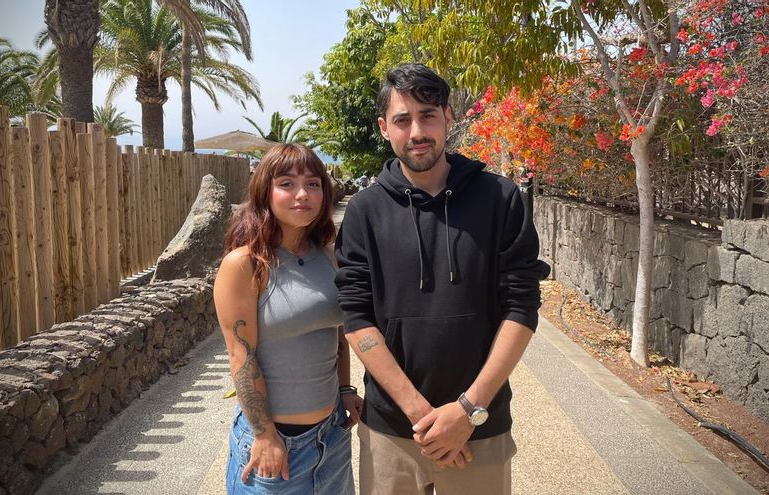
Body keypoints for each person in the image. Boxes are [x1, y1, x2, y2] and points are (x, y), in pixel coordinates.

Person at [334, 63, 550, 494]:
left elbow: (521, 308)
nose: (417, 131)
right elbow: (356, 318)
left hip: (479, 426)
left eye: (428, 115)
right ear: (384, 128)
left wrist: (466, 410)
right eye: (402, 119)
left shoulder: (500, 198)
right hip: (393, 431)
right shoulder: (364, 212)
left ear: (448, 117)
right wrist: (421, 414)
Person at [215, 143, 363, 494]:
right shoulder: (245, 265)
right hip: (275, 446)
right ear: (265, 191)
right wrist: (264, 435)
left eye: (313, 184)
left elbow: (337, 334)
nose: (302, 194)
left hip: (331, 439)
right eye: (287, 183)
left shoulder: (329, 255)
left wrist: (345, 389)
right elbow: (241, 357)